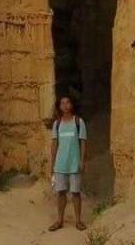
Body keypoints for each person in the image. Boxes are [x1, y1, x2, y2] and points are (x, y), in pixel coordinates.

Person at [48, 95, 87, 232]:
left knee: (75, 193)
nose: (65, 105)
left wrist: (82, 161)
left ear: (72, 105)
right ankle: (59, 220)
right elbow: (54, 145)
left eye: (68, 102)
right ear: (59, 106)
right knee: (61, 193)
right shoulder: (57, 124)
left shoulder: (78, 122)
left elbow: (83, 143)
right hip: (60, 164)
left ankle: (78, 221)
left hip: (74, 164)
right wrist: (52, 164)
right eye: (62, 103)